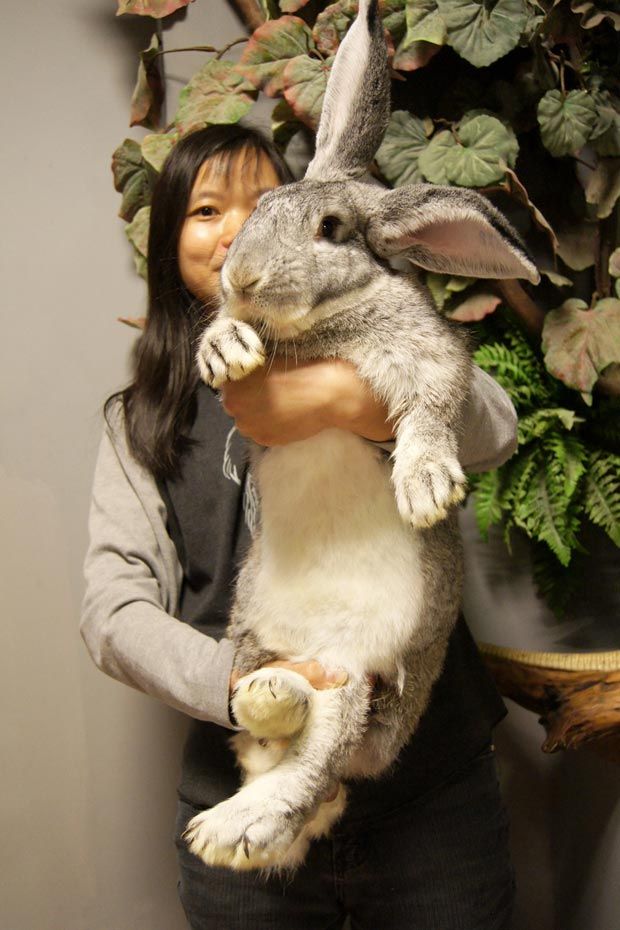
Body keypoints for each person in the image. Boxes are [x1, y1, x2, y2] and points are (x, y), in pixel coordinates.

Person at [81, 124, 518, 929]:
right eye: (207, 211)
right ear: (168, 237)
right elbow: (112, 611)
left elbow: (494, 428)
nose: (238, 233)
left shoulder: (366, 314)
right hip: (246, 770)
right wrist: (243, 688)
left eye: (260, 205)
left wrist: (349, 402)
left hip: (430, 791)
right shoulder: (140, 419)